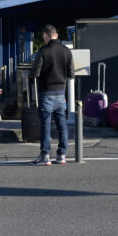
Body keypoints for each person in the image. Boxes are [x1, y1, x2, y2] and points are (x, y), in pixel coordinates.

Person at [30, 25, 74, 165]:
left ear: (45, 35)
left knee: (45, 125)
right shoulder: (66, 51)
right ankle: (62, 155)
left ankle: (45, 156)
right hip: (61, 92)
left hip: (46, 92)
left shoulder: (43, 51)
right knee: (62, 125)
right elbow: (71, 73)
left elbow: (35, 72)